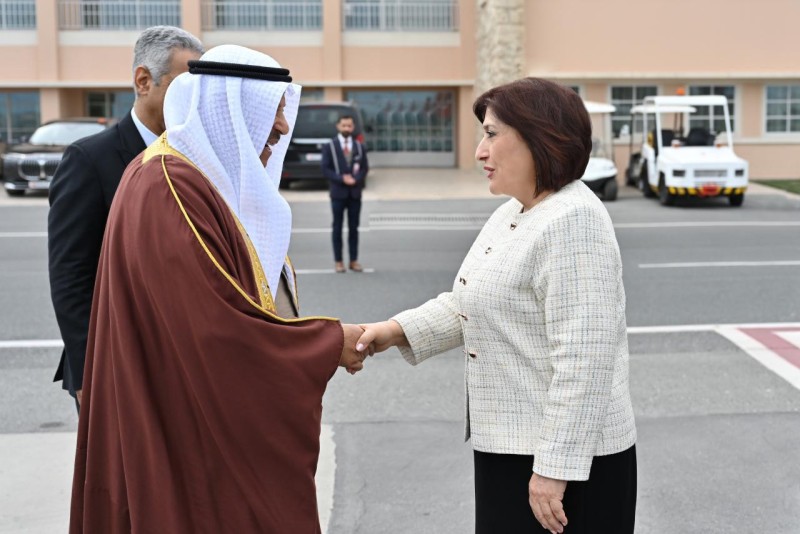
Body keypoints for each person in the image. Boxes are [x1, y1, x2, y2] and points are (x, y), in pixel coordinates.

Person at [69, 45, 367, 533]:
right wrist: (328, 344)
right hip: (180, 418)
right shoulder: (169, 187)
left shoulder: (187, 177)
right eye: (271, 116)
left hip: (185, 406)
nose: (281, 131)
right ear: (231, 113)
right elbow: (215, 328)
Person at [356, 78, 637, 534]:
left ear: (538, 138)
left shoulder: (574, 220)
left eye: (491, 134)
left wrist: (554, 469)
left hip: (564, 464)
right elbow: (471, 301)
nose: (479, 152)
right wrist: (395, 330)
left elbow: (585, 358)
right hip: (512, 447)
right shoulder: (515, 210)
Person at [48, 26, 204, 408]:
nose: (194, 101)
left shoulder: (197, 157)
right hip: (112, 359)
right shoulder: (89, 159)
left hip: (179, 359)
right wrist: (88, 370)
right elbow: (71, 274)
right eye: (184, 87)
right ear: (143, 80)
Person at [321, 114, 369, 273]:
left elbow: (364, 168)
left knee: (354, 228)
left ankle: (354, 260)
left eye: (349, 126)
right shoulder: (330, 146)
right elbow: (325, 169)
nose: (347, 128)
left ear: (353, 127)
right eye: (344, 125)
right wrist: (341, 178)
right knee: (337, 227)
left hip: (355, 194)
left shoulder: (359, 146)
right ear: (338, 126)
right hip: (338, 193)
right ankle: (339, 261)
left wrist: (356, 179)